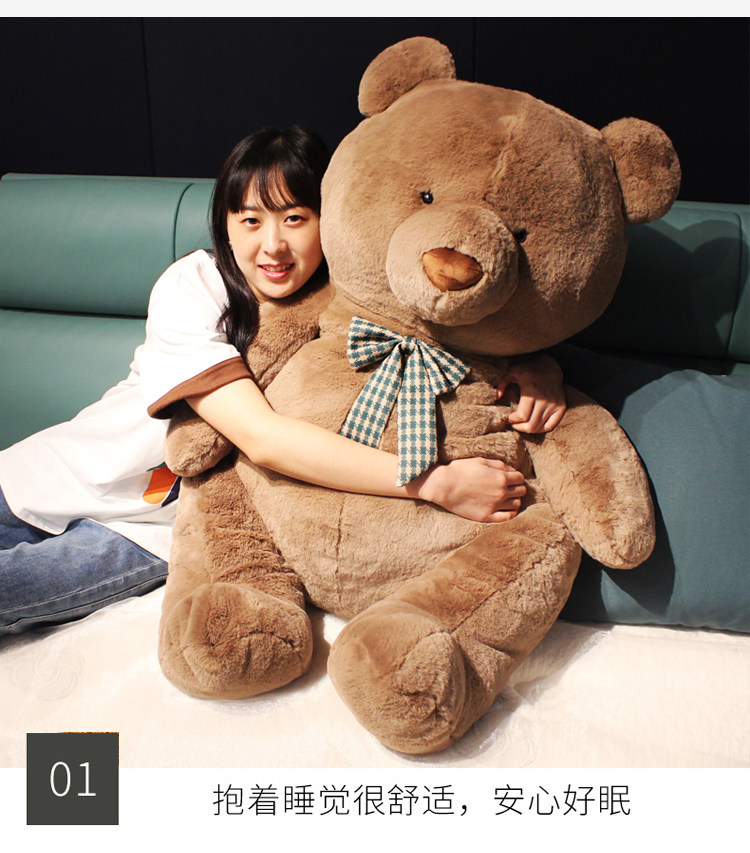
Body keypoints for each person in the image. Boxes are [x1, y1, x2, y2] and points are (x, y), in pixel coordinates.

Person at [0, 127, 566, 636]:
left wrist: (542, 367)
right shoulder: (197, 284)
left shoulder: (358, 298)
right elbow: (263, 438)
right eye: (250, 220)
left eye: (295, 218)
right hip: (58, 479)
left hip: (155, 531)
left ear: (330, 218)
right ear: (226, 226)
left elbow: (467, 314)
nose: (271, 245)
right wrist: (434, 483)